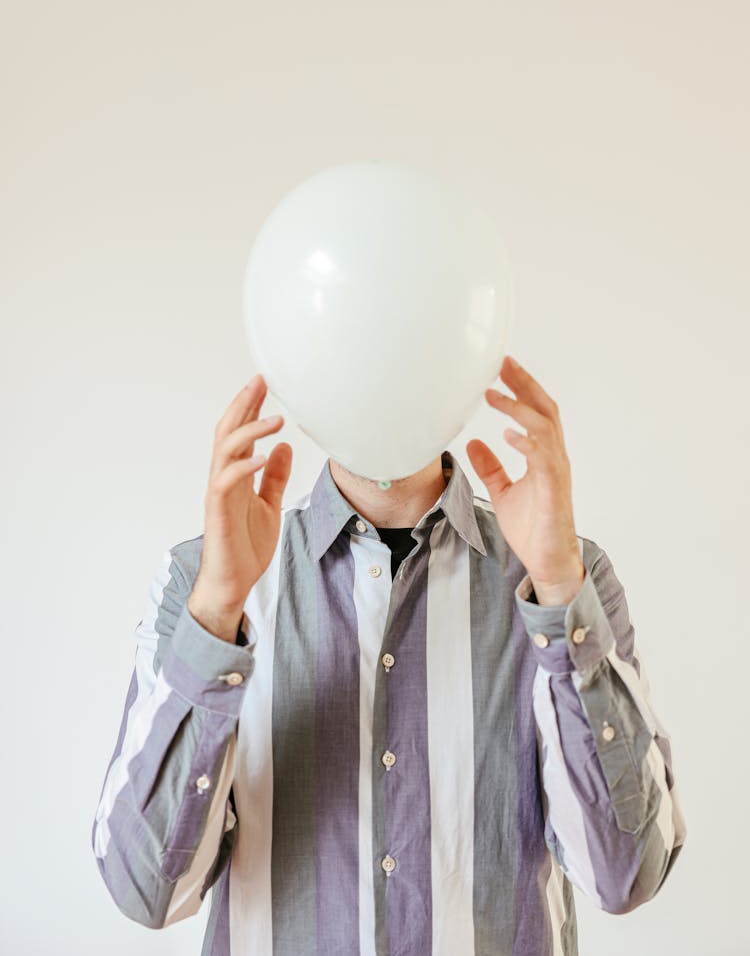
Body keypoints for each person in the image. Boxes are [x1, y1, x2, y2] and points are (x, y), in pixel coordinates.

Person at [91, 355, 687, 955]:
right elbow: (148, 891)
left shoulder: (565, 578)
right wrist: (217, 612)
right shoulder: (200, 581)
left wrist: (560, 592)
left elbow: (625, 875)